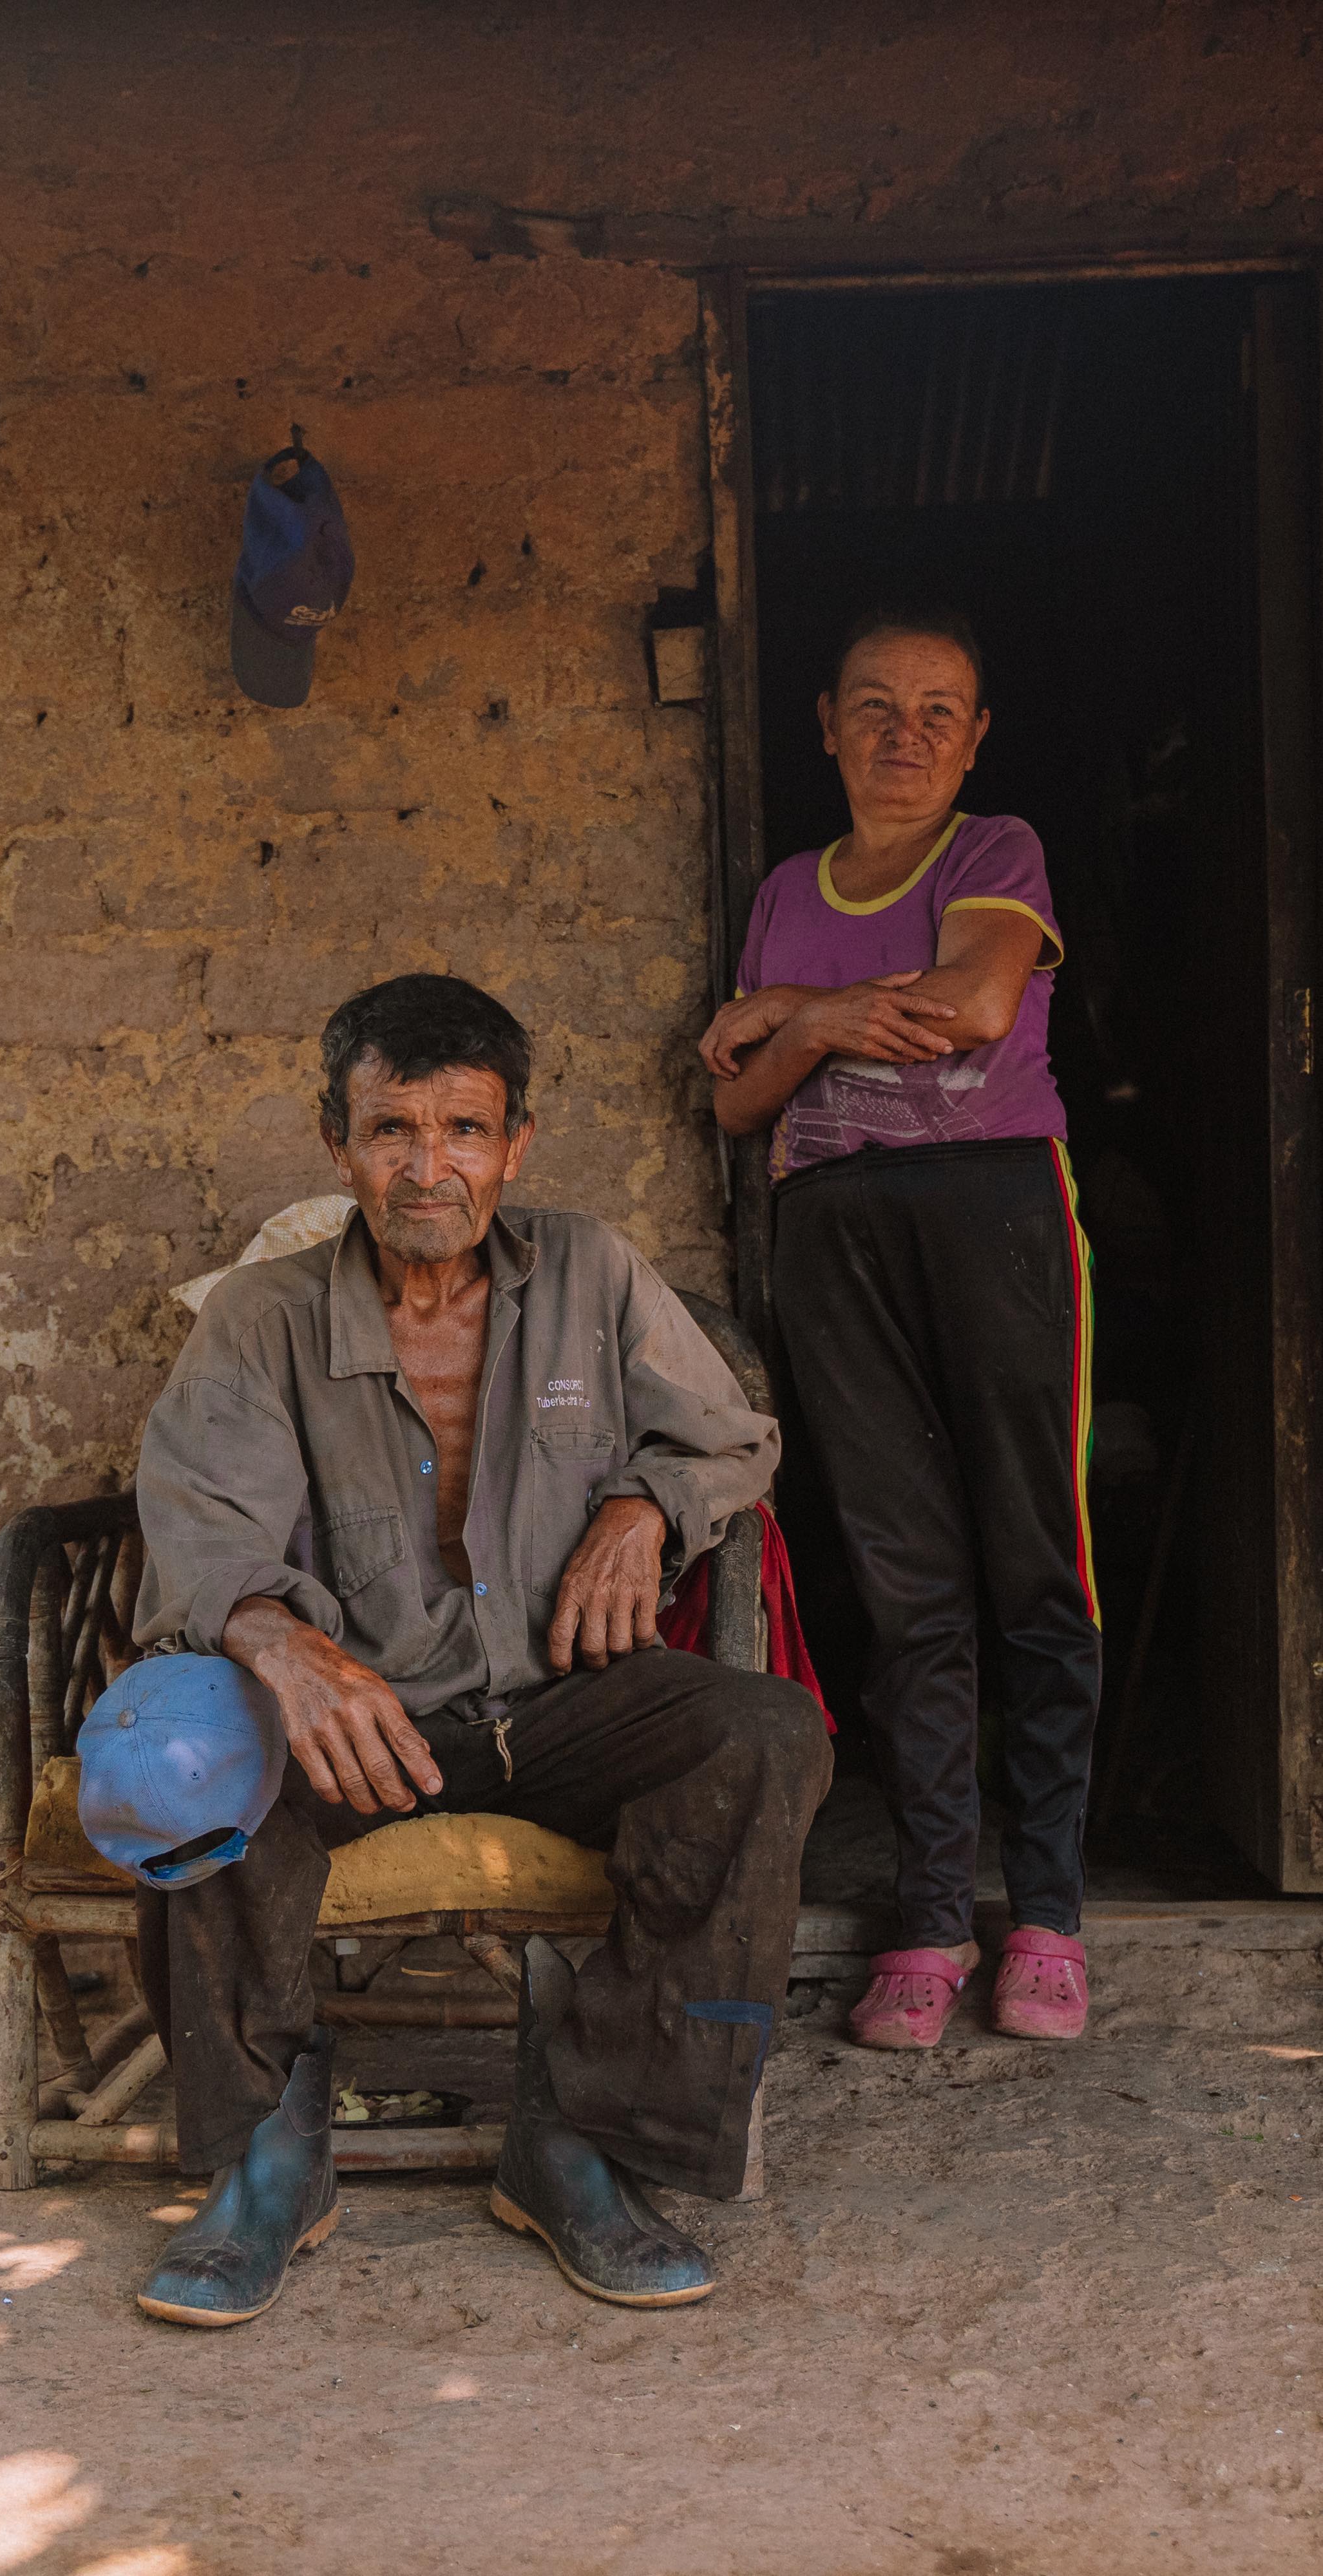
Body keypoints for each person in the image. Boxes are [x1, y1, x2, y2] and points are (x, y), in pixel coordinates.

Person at [97, 972, 832, 2325]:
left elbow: (730, 1439)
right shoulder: (260, 1318)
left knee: (764, 1729)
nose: (427, 1166)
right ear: (339, 1143)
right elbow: (199, 1531)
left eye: (463, 1129)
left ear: (515, 1143)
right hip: (368, 1719)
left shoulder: (595, 1274)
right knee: (188, 1752)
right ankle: (265, 2149)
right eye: (391, 1129)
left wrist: (640, 1504)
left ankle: (583, 2138)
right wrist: (276, 1640)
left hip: (563, 1705)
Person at [700, 608, 1099, 2052]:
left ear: (977, 733)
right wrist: (825, 1028)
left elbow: (977, 1004)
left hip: (991, 1211)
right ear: (824, 721)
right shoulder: (784, 887)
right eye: (874, 706)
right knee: (901, 1570)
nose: (905, 734)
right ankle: (934, 1913)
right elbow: (739, 1104)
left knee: (1031, 1554)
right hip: (832, 1232)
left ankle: (1044, 1913)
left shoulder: (994, 852)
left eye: (939, 709)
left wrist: (796, 1012)